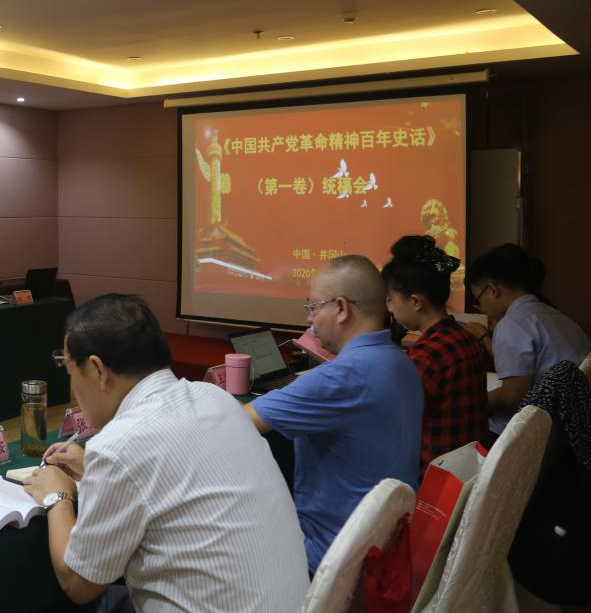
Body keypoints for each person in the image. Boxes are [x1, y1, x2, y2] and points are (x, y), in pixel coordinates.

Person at [24, 294, 308, 611]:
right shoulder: (215, 398)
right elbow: (175, 483)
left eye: (69, 370)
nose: (73, 387)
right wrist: (93, 467)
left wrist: (57, 497)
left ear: (97, 369)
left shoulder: (119, 445)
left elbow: (78, 583)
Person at [244, 255, 422, 573]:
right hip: (385, 548)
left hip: (327, 560)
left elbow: (240, 421)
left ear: (341, 308)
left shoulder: (340, 377)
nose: (309, 320)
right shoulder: (401, 362)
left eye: (313, 307)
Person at [382, 235, 489, 470]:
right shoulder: (463, 337)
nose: (389, 308)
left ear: (416, 302)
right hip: (468, 469)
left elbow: (389, 419)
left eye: (390, 300)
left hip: (433, 477)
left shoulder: (427, 354)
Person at [467, 243, 591, 436]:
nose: (481, 308)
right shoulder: (558, 316)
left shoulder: (513, 323)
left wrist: (468, 403)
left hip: (546, 432)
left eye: (478, 300)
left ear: (492, 290)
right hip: (576, 423)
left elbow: (512, 396)